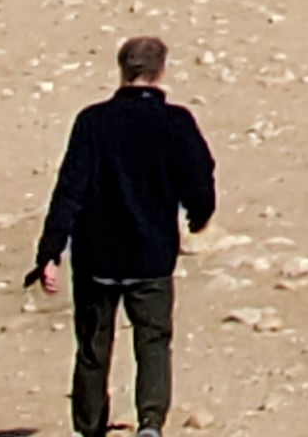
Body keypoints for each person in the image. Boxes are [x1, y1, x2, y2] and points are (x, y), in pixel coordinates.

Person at [27, 33, 218, 437]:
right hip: (151, 256)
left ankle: (90, 428)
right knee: (152, 341)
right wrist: (199, 216)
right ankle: (150, 424)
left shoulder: (93, 122)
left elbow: (70, 189)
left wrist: (50, 252)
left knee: (93, 349)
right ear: (160, 70)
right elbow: (199, 178)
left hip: (96, 257)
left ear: (121, 70)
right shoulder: (175, 122)